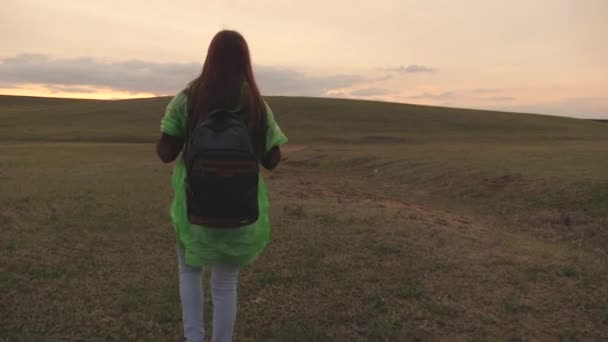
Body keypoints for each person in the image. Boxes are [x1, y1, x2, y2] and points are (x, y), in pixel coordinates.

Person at [155, 30, 288, 342]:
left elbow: (165, 153)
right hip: (239, 210)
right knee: (226, 283)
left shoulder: (188, 98)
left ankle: (193, 338)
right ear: (245, 60)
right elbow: (273, 159)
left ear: (209, 57)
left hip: (194, 207)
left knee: (189, 272)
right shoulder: (255, 103)